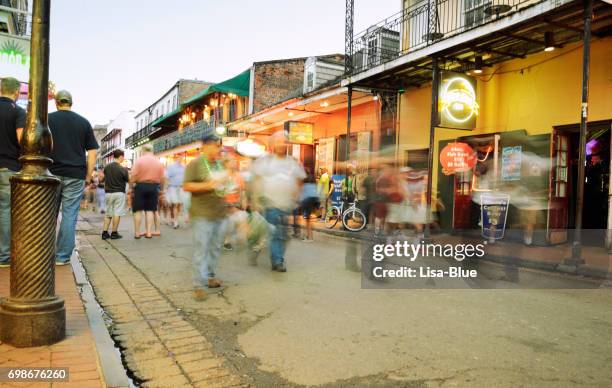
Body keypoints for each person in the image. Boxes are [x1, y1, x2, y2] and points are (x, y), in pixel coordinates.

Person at [49, 90, 99, 265]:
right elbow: (92, 153)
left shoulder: (47, 119)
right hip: (76, 174)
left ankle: (44, 253)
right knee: (69, 215)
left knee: (48, 215)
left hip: (51, 173)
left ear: (56, 102)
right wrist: (88, 175)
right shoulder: (83, 122)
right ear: (71, 103)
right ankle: (62, 257)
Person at [250, 130, 306, 272]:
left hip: (286, 205)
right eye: (279, 141)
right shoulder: (266, 161)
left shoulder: (292, 162)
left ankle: (265, 251)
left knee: (281, 234)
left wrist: (297, 197)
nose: (282, 144)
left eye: (284, 141)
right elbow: (256, 180)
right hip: (270, 204)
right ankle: (277, 260)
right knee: (277, 232)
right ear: (273, 144)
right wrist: (254, 200)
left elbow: (300, 180)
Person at [183, 133, 229, 300]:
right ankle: (198, 284)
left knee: (215, 248)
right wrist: (207, 185)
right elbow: (187, 186)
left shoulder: (219, 165)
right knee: (201, 249)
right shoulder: (195, 164)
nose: (219, 149)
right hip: (201, 214)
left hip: (219, 212)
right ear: (206, 146)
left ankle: (210, 276)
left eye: (219, 146)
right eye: (217, 145)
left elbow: (224, 184)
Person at [0, 77, 25, 268]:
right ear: (16, 92)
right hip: (7, 167)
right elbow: (21, 139)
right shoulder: (17, 111)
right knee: (6, 210)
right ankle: (4, 256)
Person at [130, 144, 164, 239]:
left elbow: (133, 176)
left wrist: (130, 187)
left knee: (138, 210)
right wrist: (162, 190)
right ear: (152, 150)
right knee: (150, 210)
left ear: (143, 150)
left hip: (140, 186)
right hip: (153, 187)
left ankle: (137, 233)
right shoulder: (158, 161)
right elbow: (163, 177)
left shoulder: (139, 161)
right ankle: (148, 232)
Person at [101, 149, 129, 240]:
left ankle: (104, 233)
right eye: (123, 157)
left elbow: (102, 179)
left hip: (108, 193)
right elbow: (128, 180)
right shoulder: (122, 169)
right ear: (120, 156)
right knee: (117, 213)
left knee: (108, 213)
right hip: (119, 193)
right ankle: (114, 233)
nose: (123, 159)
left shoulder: (107, 167)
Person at [165, 155, 186, 229]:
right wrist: (167, 188)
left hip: (181, 188)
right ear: (175, 158)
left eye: (181, 157)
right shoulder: (171, 167)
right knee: (175, 205)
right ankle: (175, 222)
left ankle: (174, 219)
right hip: (173, 188)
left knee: (179, 205)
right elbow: (166, 178)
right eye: (178, 157)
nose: (180, 158)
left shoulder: (184, 167)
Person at [300, 170, 320, 242]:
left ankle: (309, 237)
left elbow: (302, 193)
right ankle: (308, 236)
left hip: (307, 201)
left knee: (307, 220)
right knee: (308, 220)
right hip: (314, 201)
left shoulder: (304, 182)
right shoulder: (313, 181)